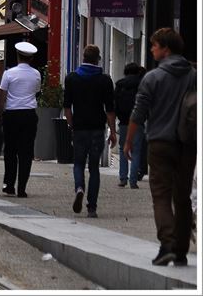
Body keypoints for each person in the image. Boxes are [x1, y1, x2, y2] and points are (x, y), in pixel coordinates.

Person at [125, 27, 197, 267]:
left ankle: (167, 243)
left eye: (154, 46)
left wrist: (128, 141)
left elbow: (139, 113)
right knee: (183, 196)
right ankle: (181, 251)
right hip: (187, 144)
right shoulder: (194, 75)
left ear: (165, 49)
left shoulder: (153, 78)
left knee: (161, 195)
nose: (151, 50)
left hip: (160, 143)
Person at [63, 44, 117, 219]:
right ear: (98, 59)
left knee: (78, 163)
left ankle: (79, 187)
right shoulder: (105, 80)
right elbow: (110, 109)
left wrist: (71, 125)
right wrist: (113, 131)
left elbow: (67, 106)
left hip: (79, 127)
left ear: (83, 58)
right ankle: (92, 207)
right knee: (94, 168)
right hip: (97, 128)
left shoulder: (72, 78)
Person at [0, 41, 41, 198]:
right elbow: (36, 91)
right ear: (31, 58)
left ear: (17, 56)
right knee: (26, 152)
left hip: (12, 114)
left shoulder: (9, 74)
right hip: (29, 114)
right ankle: (22, 187)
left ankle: (9, 185)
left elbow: (2, 97)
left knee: (10, 150)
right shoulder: (36, 74)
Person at [114, 62, 146, 188]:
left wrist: (118, 116)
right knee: (136, 150)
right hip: (138, 121)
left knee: (123, 149)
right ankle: (133, 181)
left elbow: (115, 104)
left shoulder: (120, 85)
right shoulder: (142, 84)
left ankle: (123, 178)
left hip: (123, 122)